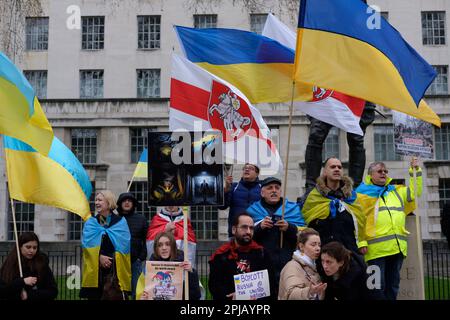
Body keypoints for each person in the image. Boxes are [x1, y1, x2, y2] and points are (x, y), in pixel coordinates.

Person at [356, 157, 423, 300]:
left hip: (396, 248)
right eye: (379, 171)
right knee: (376, 288)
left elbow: (415, 193)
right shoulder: (361, 194)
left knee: (393, 287)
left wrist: (415, 171)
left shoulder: (396, 191)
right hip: (375, 251)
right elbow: (357, 221)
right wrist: (361, 242)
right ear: (370, 175)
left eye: (385, 171)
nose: (384, 173)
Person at [246, 177, 305, 295]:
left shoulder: (293, 209)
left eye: (277, 188)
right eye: (270, 188)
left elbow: (304, 236)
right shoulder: (252, 211)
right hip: (261, 265)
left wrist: (289, 228)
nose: (274, 191)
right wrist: (259, 228)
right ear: (262, 193)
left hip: (287, 264)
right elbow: (245, 237)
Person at [304, 101, 376, 191]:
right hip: (328, 95)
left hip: (357, 95)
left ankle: (355, 189)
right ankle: (311, 188)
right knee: (316, 135)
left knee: (356, 139)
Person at [300, 157, 366, 254]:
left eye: (339, 167)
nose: (336, 169)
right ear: (325, 172)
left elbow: (360, 221)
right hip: (323, 255)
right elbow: (307, 222)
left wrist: (362, 243)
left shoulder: (352, 196)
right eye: (332, 167)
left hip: (349, 253)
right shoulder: (314, 196)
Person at [208, 212, 276, 300]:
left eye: (251, 228)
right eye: (244, 227)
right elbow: (214, 287)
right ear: (233, 230)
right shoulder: (221, 255)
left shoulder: (262, 254)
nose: (248, 231)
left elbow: (271, 285)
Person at [80, 190, 131, 300]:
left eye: (100, 200)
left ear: (108, 203)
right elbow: (86, 247)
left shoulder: (120, 222)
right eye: (96, 200)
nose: (97, 203)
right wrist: (99, 257)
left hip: (114, 272)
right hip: (96, 271)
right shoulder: (91, 223)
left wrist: (111, 259)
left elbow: (124, 246)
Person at [140, 231, 201, 300]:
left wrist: (191, 272)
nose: (164, 248)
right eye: (160, 245)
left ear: (173, 246)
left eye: (167, 244)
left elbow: (196, 296)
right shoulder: (150, 268)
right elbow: (144, 291)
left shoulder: (183, 266)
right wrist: (144, 298)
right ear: (156, 248)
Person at [0, 232, 58, 300]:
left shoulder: (41, 264)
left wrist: (29, 295)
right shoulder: (9, 264)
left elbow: (53, 291)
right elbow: (2, 291)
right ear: (20, 247)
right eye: (28, 247)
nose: (32, 250)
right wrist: (22, 282)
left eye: (35, 247)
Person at [278, 228, 326, 300]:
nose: (318, 248)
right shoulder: (292, 267)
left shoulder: (314, 266)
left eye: (319, 245)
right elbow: (291, 294)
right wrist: (309, 292)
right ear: (301, 246)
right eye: (313, 245)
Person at [117, 192, 148, 300]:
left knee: (137, 291)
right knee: (120, 292)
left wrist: (141, 258)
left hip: (136, 261)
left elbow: (146, 240)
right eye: (124, 200)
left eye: (129, 201)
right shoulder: (114, 219)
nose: (127, 202)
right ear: (120, 204)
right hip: (119, 262)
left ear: (133, 204)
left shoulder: (141, 219)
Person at [222, 163, 261, 238]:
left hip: (257, 232)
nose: (247, 169)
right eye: (245, 168)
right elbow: (223, 206)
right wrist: (226, 190)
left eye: (251, 168)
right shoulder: (233, 186)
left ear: (257, 174)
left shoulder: (262, 188)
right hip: (236, 233)